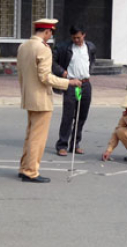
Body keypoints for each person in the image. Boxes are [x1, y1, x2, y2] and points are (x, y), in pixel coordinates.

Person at [17, 18, 82, 183]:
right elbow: (46, 77)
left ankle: (25, 167)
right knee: (37, 138)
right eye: (51, 33)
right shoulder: (43, 49)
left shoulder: (23, 46)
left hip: (28, 96)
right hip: (41, 98)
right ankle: (31, 171)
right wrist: (69, 83)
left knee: (30, 135)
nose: (50, 36)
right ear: (47, 32)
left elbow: (21, 74)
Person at [52, 25, 96, 156]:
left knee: (81, 116)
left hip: (85, 84)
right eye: (74, 38)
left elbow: (92, 60)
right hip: (71, 84)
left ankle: (75, 144)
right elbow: (52, 62)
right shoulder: (64, 47)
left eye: (78, 37)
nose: (76, 40)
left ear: (84, 35)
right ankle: (62, 145)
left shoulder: (90, 47)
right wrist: (63, 72)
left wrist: (88, 72)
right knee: (68, 116)